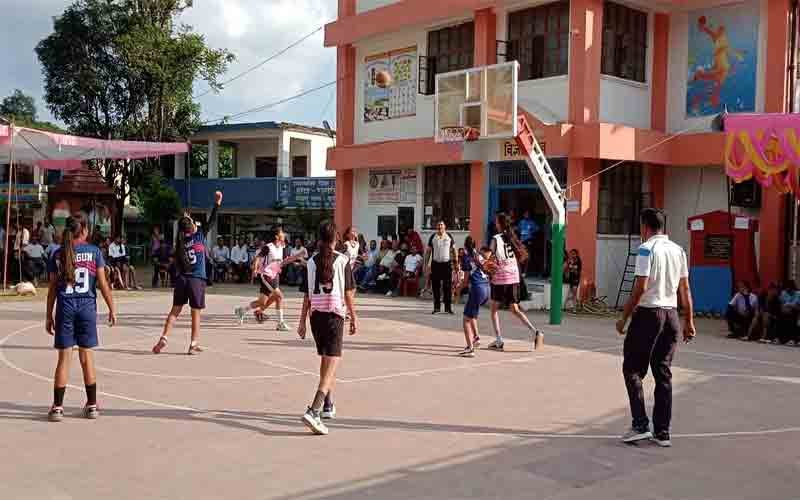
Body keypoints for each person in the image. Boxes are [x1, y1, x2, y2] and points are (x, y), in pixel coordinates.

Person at [616, 208, 695, 448]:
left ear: (645, 227)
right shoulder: (678, 250)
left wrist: (624, 317)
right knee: (663, 373)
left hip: (649, 314)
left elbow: (640, 287)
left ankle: (640, 424)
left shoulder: (646, 249)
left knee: (631, 369)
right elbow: (685, 290)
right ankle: (663, 432)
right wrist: (688, 320)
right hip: (671, 315)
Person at [45, 214, 116, 422]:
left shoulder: (57, 254)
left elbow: (51, 290)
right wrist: (112, 308)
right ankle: (92, 405)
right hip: (86, 308)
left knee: (64, 359)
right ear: (83, 229)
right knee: (86, 358)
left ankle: (58, 407)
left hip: (65, 308)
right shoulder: (94, 252)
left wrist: (48, 315)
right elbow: (103, 284)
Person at [297, 222, 358, 435]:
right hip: (333, 316)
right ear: (335, 240)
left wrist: (302, 321)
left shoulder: (311, 262)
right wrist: (354, 317)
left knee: (325, 360)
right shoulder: (342, 260)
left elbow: (306, 295)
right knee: (332, 365)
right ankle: (313, 410)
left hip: (316, 318)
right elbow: (349, 292)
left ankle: (327, 404)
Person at [152, 192, 222, 355]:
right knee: (195, 313)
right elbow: (211, 221)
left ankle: (164, 337)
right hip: (196, 280)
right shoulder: (199, 235)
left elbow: (184, 228)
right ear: (193, 227)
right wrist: (217, 203)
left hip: (182, 280)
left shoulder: (180, 242)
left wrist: (186, 219)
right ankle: (193, 344)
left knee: (175, 311)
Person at [234, 227, 297, 331]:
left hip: (275, 276)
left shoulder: (281, 247)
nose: (284, 234)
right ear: (277, 236)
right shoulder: (268, 247)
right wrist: (254, 268)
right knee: (280, 296)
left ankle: (242, 310)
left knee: (262, 302)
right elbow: (258, 257)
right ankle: (280, 323)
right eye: (282, 233)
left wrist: (298, 259)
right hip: (267, 276)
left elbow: (285, 260)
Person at [460, 238, 491, 358]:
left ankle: (470, 348)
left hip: (477, 289)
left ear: (464, 246)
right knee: (472, 315)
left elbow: (466, 281)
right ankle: (476, 338)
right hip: (486, 288)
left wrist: (457, 289)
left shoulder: (466, 259)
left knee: (466, 319)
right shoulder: (479, 256)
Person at [427, 221, 456, 314]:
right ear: (436, 227)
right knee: (436, 287)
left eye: (441, 225)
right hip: (435, 264)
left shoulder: (449, 236)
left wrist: (456, 262)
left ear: (445, 227)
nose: (440, 226)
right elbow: (428, 252)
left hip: (446, 265)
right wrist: (426, 265)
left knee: (447, 286)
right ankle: (437, 308)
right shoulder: (432, 237)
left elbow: (454, 250)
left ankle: (448, 308)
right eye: (438, 225)